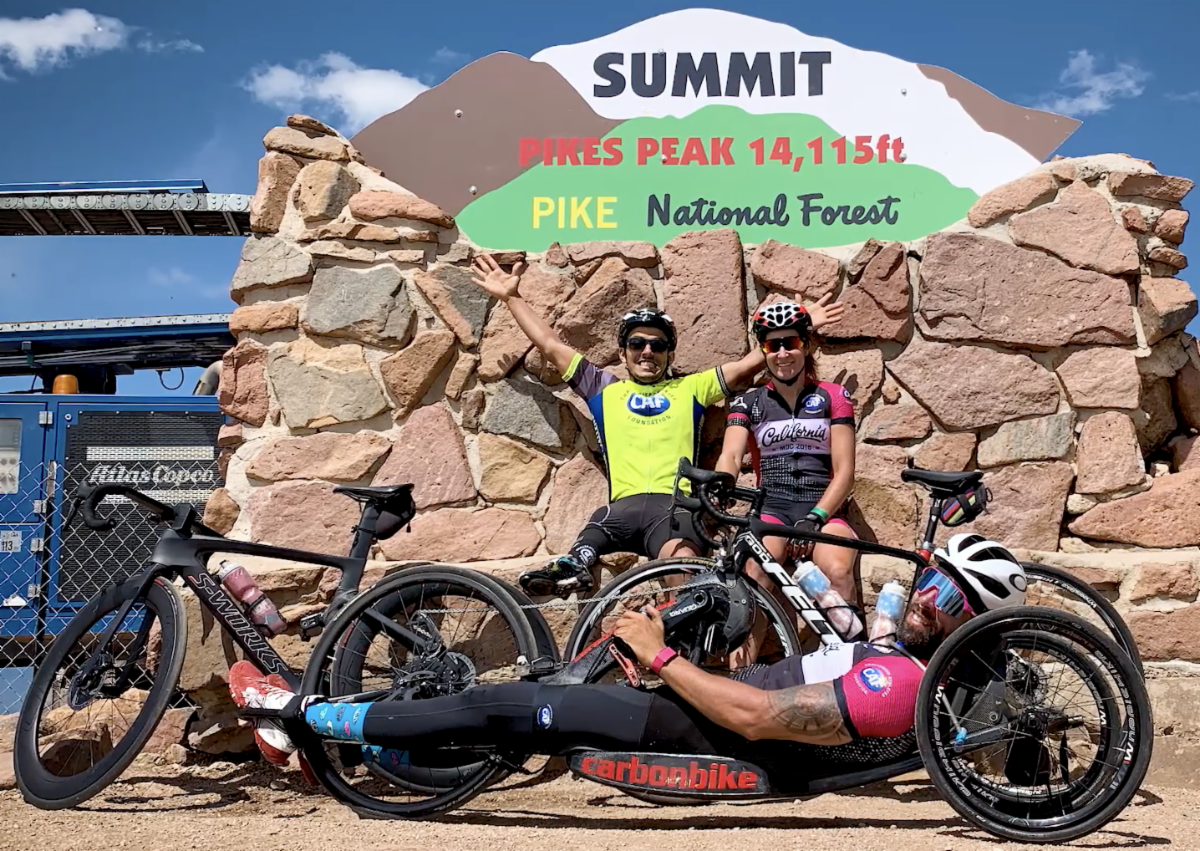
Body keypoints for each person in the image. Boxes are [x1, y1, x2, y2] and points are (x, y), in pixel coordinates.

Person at [229, 534, 1027, 788]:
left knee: (506, 707)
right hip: (698, 701)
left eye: (946, 596)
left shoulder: (900, 683)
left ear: (969, 623)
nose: (923, 598)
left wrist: (662, 655)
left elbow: (759, 717)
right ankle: (356, 746)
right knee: (527, 710)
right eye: (930, 578)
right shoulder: (904, 663)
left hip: (692, 725)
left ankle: (299, 713)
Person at [467, 254, 845, 598]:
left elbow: (752, 363)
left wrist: (799, 328)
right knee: (593, 532)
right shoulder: (602, 389)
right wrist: (512, 298)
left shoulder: (692, 388)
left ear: (670, 354)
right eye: (637, 344)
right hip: (621, 511)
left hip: (673, 511)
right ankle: (574, 566)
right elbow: (550, 345)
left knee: (681, 572)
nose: (647, 351)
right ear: (623, 353)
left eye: (658, 345)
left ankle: (686, 643)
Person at [716, 300, 861, 659]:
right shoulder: (748, 402)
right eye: (773, 345)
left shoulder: (833, 396)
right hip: (772, 512)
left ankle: (852, 669)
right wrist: (721, 483)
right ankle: (740, 678)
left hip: (823, 510)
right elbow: (731, 456)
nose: (782, 353)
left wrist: (815, 518)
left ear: (806, 346)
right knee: (753, 575)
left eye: (791, 343)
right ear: (763, 351)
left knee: (838, 571)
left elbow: (845, 472)